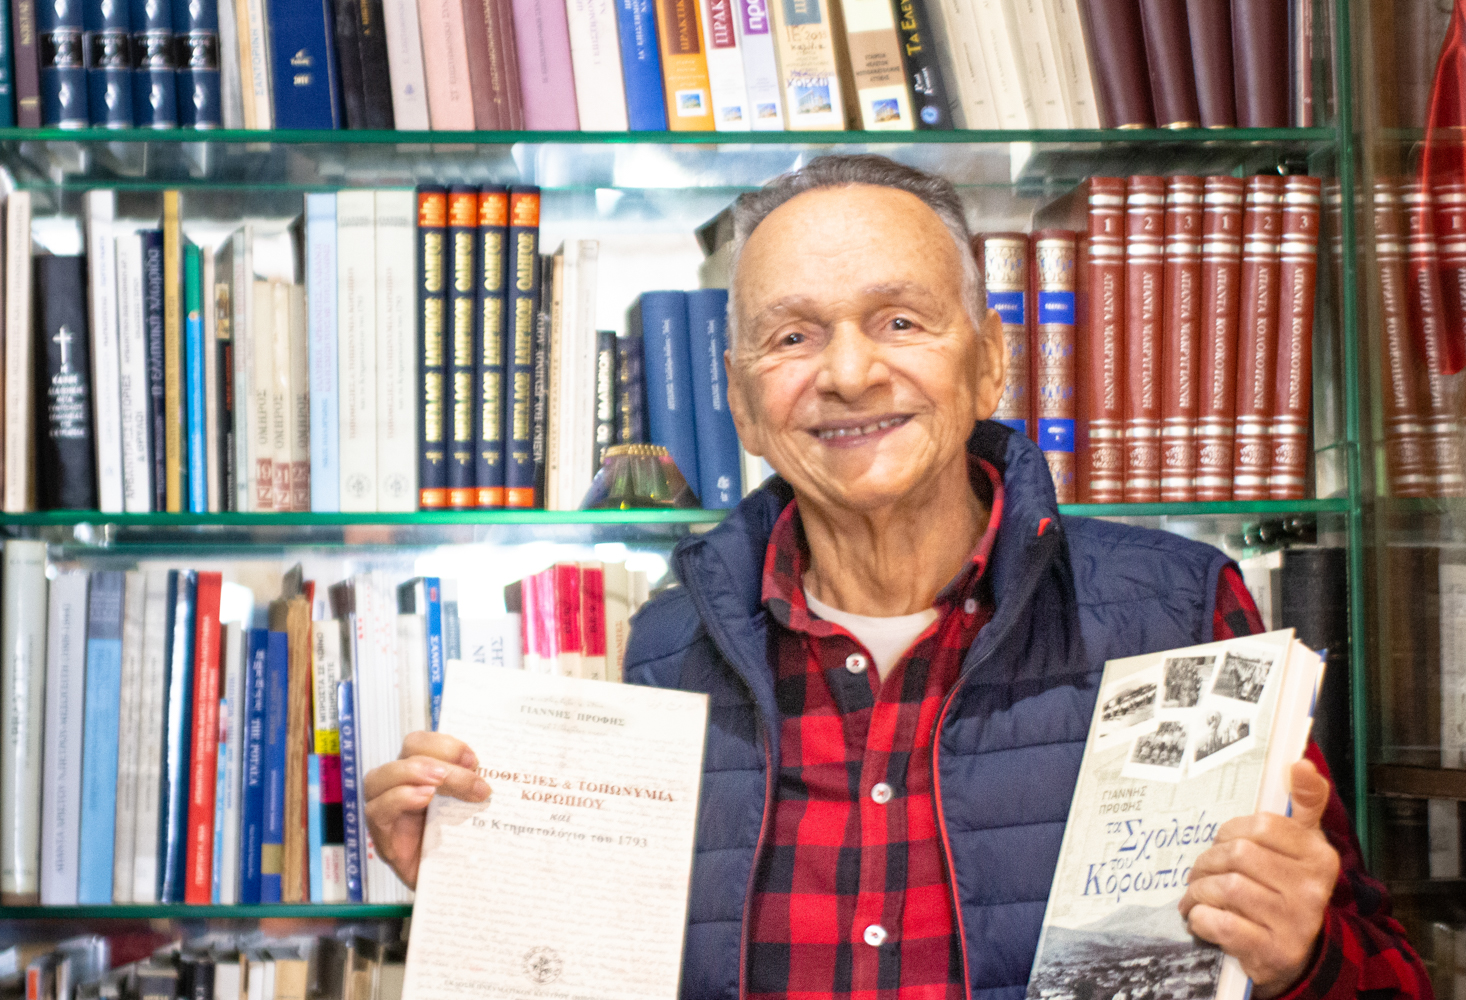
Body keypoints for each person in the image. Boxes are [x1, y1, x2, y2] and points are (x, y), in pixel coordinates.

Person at [363, 155, 1427, 1000]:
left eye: (898, 320)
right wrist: (488, 888)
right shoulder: (665, 653)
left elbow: (1390, 976)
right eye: (791, 335)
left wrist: (1301, 960)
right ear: (742, 405)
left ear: (989, 361)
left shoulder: (1180, 613)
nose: (846, 372)